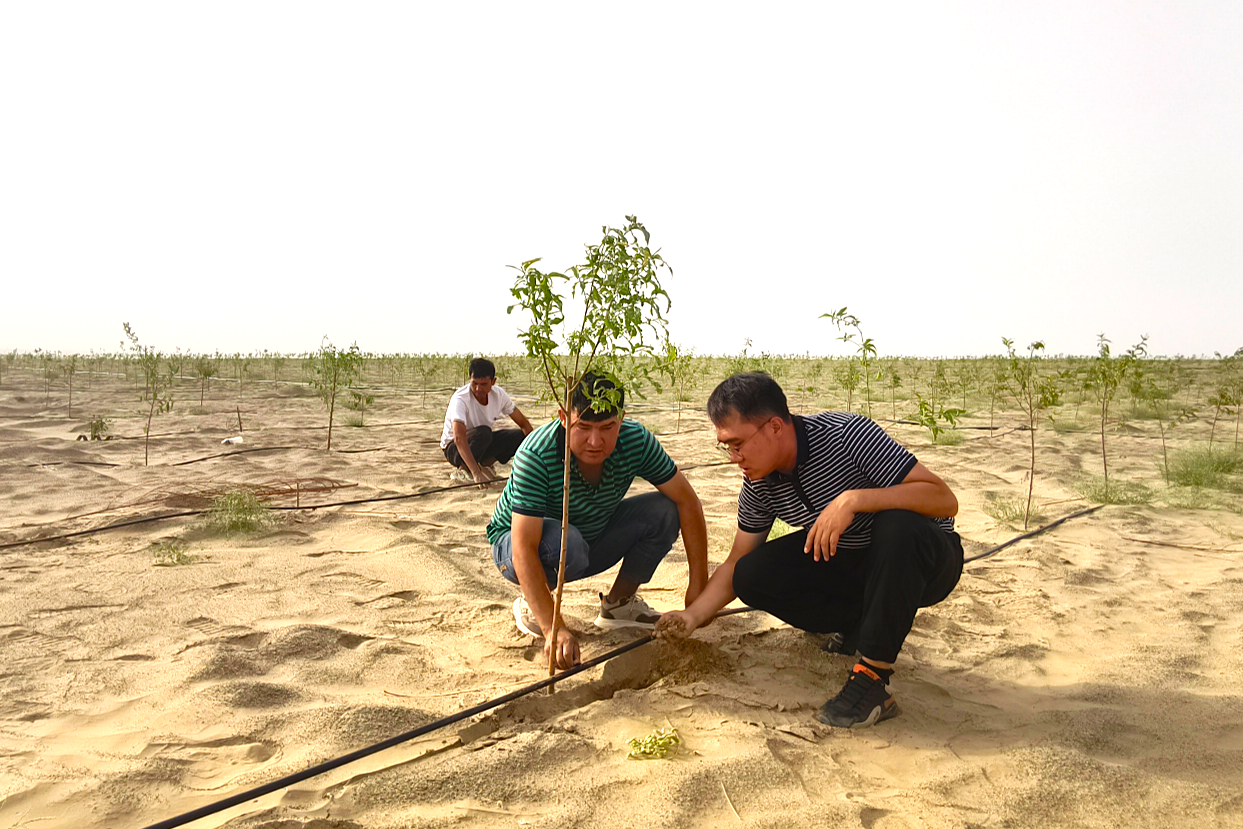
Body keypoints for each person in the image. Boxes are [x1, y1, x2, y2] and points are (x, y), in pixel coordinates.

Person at [655, 372, 962, 729]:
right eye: (726, 446)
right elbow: (737, 560)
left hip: (923, 560)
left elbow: (944, 499)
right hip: (853, 561)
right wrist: (691, 617)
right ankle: (857, 625)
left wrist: (855, 500)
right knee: (752, 574)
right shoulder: (759, 481)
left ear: (774, 427)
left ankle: (872, 681)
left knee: (898, 524)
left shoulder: (847, 436)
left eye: (738, 444)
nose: (733, 458)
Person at [487, 372, 709, 670]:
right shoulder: (536, 453)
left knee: (665, 510)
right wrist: (554, 630)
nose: (595, 441)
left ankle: (619, 605)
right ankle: (536, 603)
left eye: (607, 427)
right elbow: (523, 546)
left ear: (622, 419)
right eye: (584, 427)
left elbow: (687, 501)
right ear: (564, 417)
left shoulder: (636, 441)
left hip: (591, 534)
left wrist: (698, 586)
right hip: (518, 546)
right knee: (569, 544)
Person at [441, 358, 534, 485]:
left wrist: (537, 449)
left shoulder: (499, 395)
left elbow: (523, 423)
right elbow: (459, 438)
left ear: (493, 381)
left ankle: (484, 464)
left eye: (483, 384)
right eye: (475, 384)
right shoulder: (460, 399)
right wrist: (476, 473)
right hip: (454, 448)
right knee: (484, 432)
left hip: (481, 442)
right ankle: (465, 469)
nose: (478, 389)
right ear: (469, 379)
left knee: (519, 436)